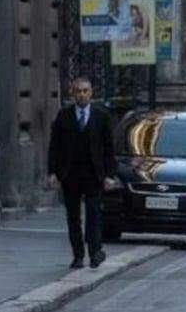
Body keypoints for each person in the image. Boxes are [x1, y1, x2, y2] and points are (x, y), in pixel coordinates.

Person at [47, 77, 117, 270]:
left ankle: (95, 252)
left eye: (85, 91)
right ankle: (78, 255)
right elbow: (55, 146)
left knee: (94, 215)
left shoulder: (101, 116)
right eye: (78, 91)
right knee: (73, 217)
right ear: (72, 94)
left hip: (94, 174)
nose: (82, 95)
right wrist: (52, 172)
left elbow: (109, 148)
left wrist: (110, 174)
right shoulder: (64, 116)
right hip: (70, 174)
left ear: (91, 93)